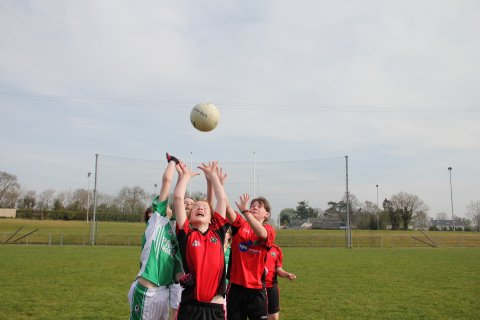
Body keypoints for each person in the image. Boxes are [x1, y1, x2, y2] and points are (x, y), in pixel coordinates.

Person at [128, 153, 183, 320]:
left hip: (164, 293)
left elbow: (179, 198)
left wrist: (182, 177)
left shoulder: (174, 231)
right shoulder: (157, 222)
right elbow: (167, 182)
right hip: (148, 290)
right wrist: (173, 161)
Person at [173, 160, 230, 320]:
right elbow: (178, 198)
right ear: (189, 218)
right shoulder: (186, 234)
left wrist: (212, 176)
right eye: (196, 207)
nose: (200, 208)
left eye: (204, 207)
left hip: (215, 306)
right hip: (191, 306)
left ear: (212, 217)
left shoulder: (217, 232)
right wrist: (185, 177)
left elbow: (222, 200)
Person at [226, 194, 276, 320]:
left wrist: (245, 211)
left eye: (259, 206)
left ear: (267, 214)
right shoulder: (240, 225)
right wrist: (217, 181)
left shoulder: (268, 229)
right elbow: (226, 208)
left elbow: (261, 234)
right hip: (236, 288)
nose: (254, 208)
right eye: (252, 205)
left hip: (257, 290)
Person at [265, 244, 296, 320]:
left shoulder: (277, 249)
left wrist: (286, 274)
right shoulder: (255, 245)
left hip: (272, 287)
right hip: (257, 287)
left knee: (274, 317)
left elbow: (279, 269)